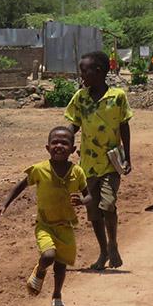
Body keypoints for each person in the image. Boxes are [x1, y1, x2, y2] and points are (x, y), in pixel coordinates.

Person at [0, 126, 90, 306]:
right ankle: (40, 270)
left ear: (72, 149)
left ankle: (57, 297)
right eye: (55, 142)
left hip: (66, 226)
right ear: (47, 147)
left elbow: (90, 196)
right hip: (44, 225)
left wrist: (82, 202)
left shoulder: (77, 172)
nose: (59, 146)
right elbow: (20, 186)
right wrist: (4, 205)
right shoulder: (39, 169)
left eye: (64, 143)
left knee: (61, 266)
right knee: (49, 256)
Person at [64, 50, 132, 270]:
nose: (82, 75)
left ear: (100, 71)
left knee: (108, 204)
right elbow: (73, 125)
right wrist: (63, 143)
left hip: (111, 161)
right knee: (93, 211)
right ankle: (103, 251)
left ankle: (113, 243)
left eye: (85, 70)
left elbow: (124, 125)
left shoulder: (118, 96)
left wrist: (128, 155)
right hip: (87, 165)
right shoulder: (80, 98)